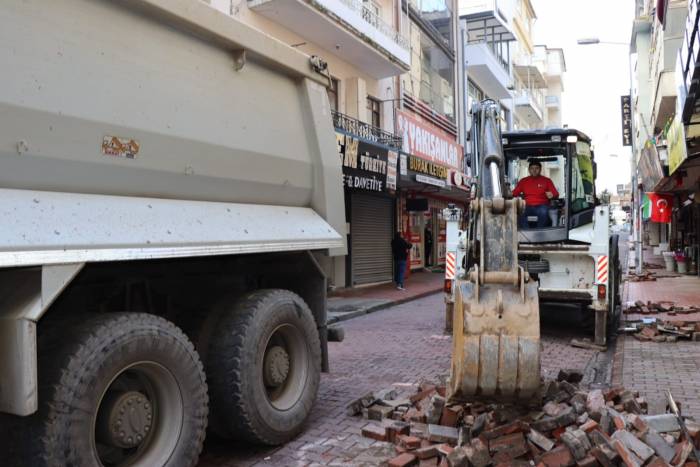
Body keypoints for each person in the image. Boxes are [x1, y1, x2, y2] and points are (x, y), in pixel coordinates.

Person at [511, 160, 559, 228]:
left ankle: (539, 231)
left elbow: (556, 194)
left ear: (540, 169)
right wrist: (507, 194)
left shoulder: (547, 180)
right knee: (519, 211)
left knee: (543, 212)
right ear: (529, 170)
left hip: (541, 205)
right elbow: (514, 193)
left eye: (536, 168)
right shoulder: (523, 181)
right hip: (527, 206)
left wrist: (552, 195)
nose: (534, 170)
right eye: (532, 168)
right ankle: (527, 232)